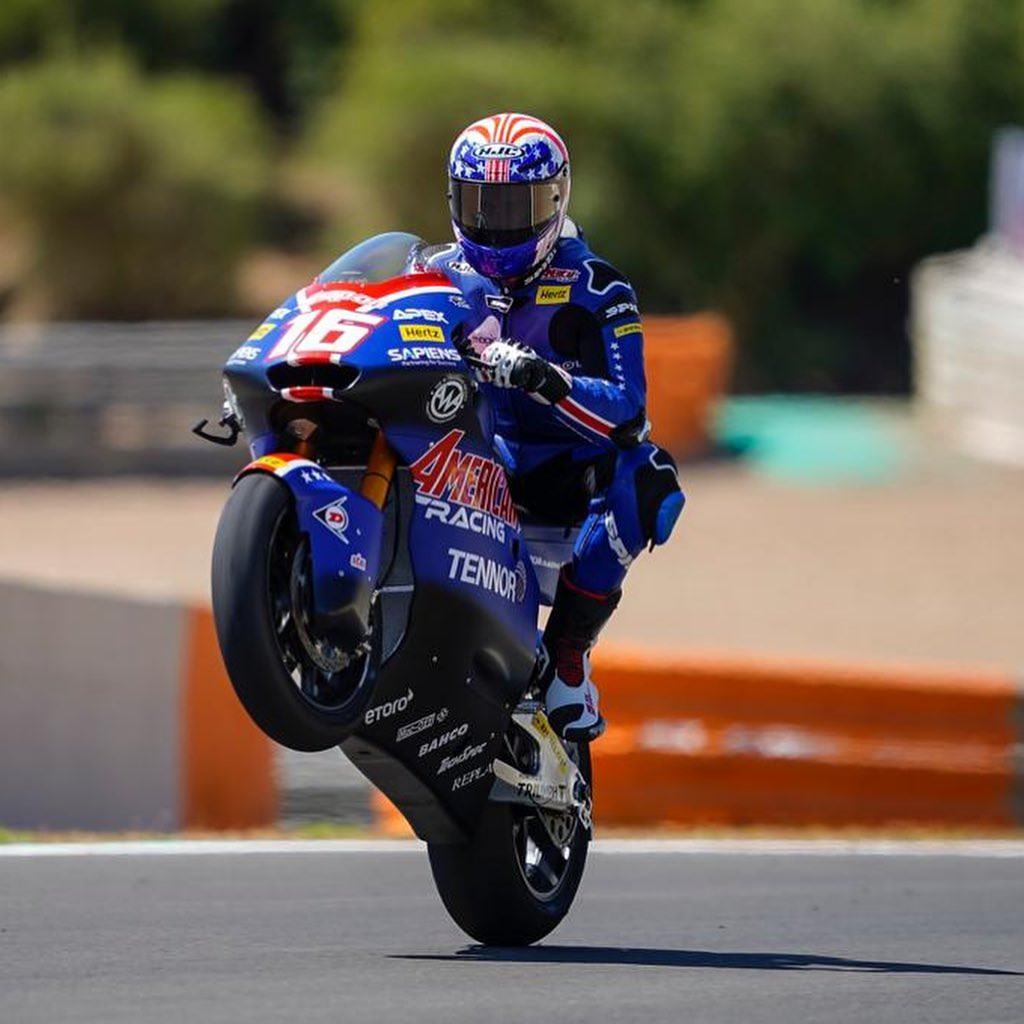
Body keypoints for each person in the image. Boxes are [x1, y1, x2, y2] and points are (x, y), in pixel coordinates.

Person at [429, 112, 684, 741]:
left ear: (556, 199)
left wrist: (546, 379)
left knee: (649, 475)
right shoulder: (435, 273)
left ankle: (568, 657)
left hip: (566, 482)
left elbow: (631, 412)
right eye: (482, 204)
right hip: (473, 468)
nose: (498, 224)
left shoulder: (599, 287)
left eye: (518, 205)